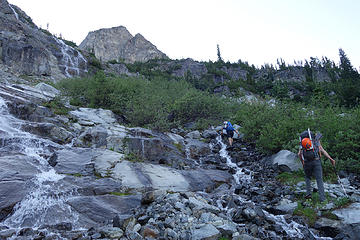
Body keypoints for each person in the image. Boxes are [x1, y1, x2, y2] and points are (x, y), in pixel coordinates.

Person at [298, 130, 336, 202]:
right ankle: (322, 199)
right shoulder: (315, 141)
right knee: (319, 180)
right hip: (316, 161)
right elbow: (322, 150)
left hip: (306, 162)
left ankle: (308, 194)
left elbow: (299, 154)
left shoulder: (303, 143)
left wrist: (303, 162)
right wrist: (330, 159)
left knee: (307, 177)